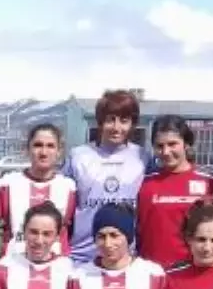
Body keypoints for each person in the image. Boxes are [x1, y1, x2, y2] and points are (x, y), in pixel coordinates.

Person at [62, 89, 150, 263]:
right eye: (111, 120)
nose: (117, 127)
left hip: (125, 257)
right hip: (82, 257)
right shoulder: (78, 156)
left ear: (132, 123)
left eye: (124, 121)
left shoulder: (143, 158)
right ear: (100, 122)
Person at [135, 115, 213, 268]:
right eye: (159, 146)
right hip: (152, 272)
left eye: (172, 144)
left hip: (192, 272)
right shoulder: (144, 182)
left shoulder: (209, 181)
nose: (166, 152)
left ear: (186, 144)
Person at [0, 123, 76, 257]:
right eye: (38, 145)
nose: (43, 152)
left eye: (50, 146)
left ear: (59, 151)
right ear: (27, 149)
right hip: (15, 264)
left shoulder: (69, 188)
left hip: (56, 268)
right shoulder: (9, 184)